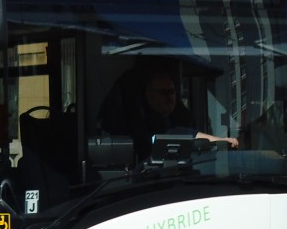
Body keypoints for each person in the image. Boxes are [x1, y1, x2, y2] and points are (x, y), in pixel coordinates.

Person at [101, 65, 238, 160]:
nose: (169, 97)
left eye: (172, 92)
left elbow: (189, 134)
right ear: (149, 95)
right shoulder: (136, 122)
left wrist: (221, 141)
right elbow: (177, 133)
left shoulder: (182, 117)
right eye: (163, 92)